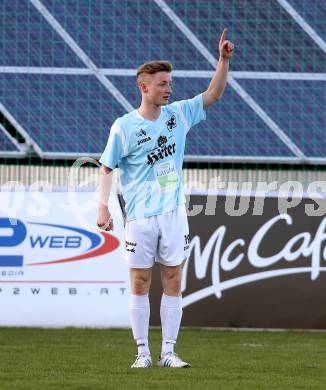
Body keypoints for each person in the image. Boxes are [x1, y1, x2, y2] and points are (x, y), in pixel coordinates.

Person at [97, 28, 234, 368]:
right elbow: (105, 167)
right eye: (162, 84)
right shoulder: (124, 127)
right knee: (140, 281)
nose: (169, 89)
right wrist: (102, 205)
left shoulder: (178, 114)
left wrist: (223, 60)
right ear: (144, 87)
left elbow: (213, 94)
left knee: (173, 279)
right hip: (140, 217)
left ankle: (168, 351)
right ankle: (142, 352)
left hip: (173, 213)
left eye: (170, 83)